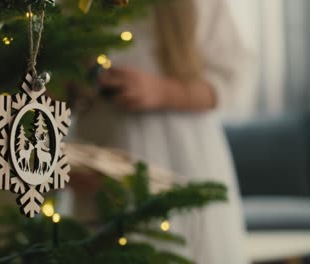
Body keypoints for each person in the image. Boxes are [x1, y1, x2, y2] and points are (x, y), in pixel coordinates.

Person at [74, 0, 252, 263]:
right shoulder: (74, 7)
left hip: (185, 162)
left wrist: (162, 91)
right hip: (104, 174)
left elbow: (234, 79)